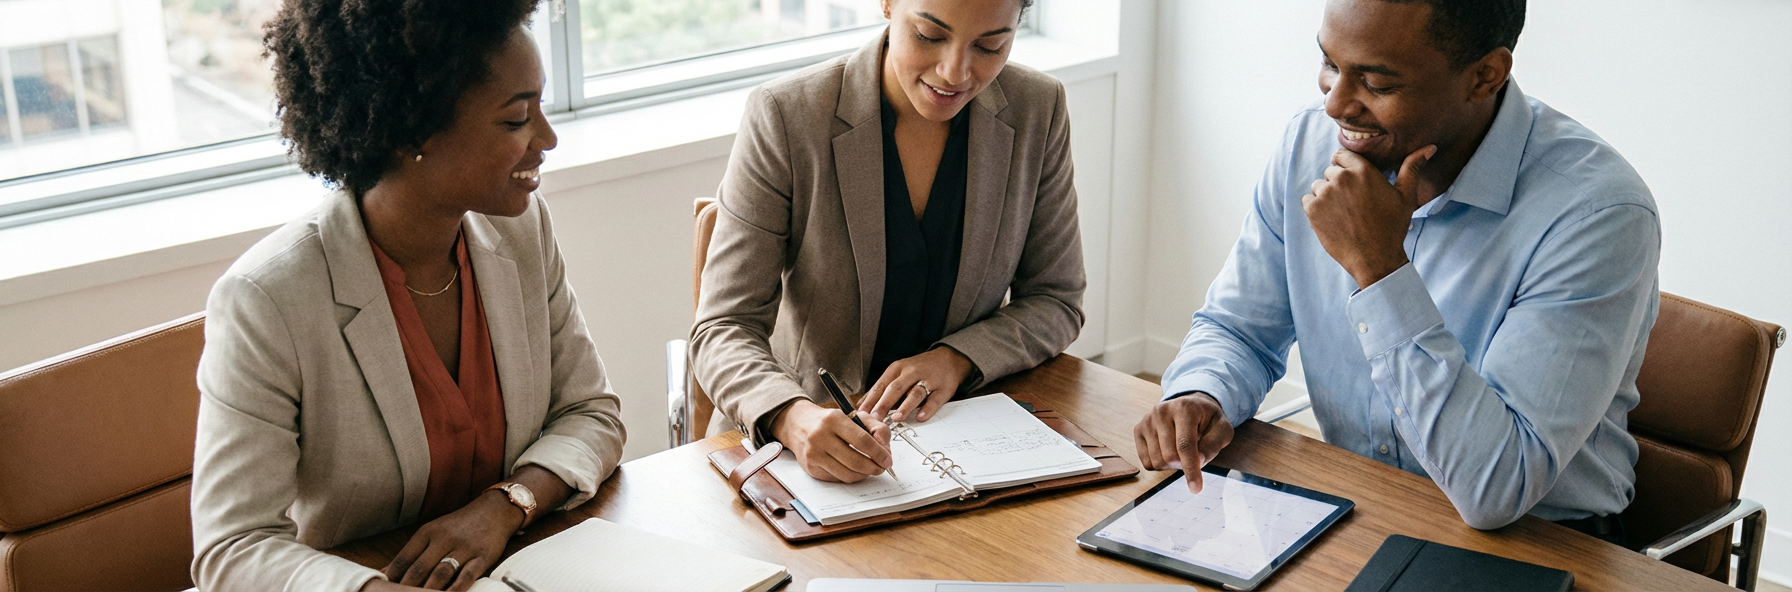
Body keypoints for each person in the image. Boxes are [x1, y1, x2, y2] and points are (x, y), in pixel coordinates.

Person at [1138, 0, 1657, 540]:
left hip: (1541, 541)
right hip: (1360, 506)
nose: (1335, 104)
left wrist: (1382, 272)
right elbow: (1240, 328)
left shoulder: (1597, 215)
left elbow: (1497, 488)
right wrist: (1202, 392)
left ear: (1485, 76)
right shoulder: (1308, 144)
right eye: (1330, 65)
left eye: (1377, 84)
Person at [190, 1, 626, 590]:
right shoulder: (267, 299)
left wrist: (505, 504)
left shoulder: (521, 230)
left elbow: (591, 414)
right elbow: (233, 546)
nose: (546, 138)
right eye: (516, 119)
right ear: (411, 131)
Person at [691, 0, 1085, 483]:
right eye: (929, 35)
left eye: (990, 46)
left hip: (964, 443)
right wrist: (791, 416)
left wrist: (959, 359)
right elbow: (723, 327)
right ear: (887, 4)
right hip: (798, 448)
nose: (954, 72)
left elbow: (1056, 299)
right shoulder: (788, 115)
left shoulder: (1037, 108)